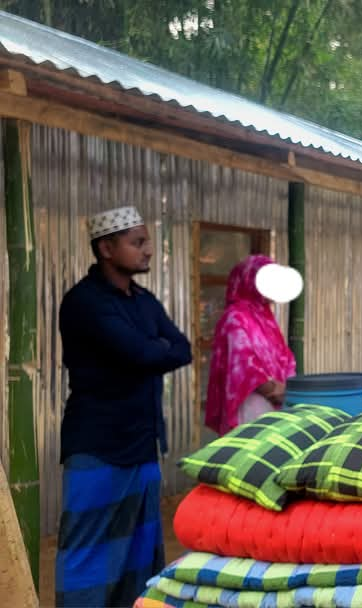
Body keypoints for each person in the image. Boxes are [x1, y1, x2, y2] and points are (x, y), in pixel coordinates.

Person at [56, 206, 193, 607]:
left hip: (141, 443)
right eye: (138, 242)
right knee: (88, 552)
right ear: (106, 248)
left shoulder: (144, 300)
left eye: (146, 241)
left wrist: (153, 350)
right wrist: (154, 350)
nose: (148, 250)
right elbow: (140, 354)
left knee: (140, 552)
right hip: (97, 446)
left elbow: (180, 348)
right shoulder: (84, 302)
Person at [204, 255, 302, 435]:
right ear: (249, 280)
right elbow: (243, 364)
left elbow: (284, 355)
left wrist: (288, 386)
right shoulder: (235, 317)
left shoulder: (264, 317)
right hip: (250, 402)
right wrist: (272, 389)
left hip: (278, 401)